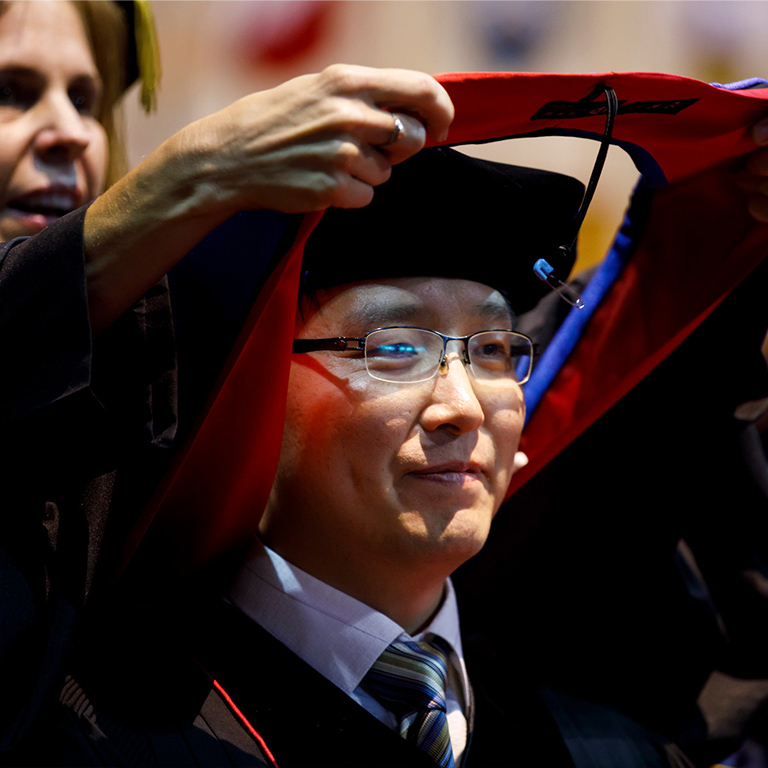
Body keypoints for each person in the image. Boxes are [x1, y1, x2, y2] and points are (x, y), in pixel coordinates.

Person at [0, 0, 452, 759]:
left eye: (84, 97)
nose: (70, 130)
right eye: (11, 91)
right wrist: (198, 168)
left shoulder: (147, 353)